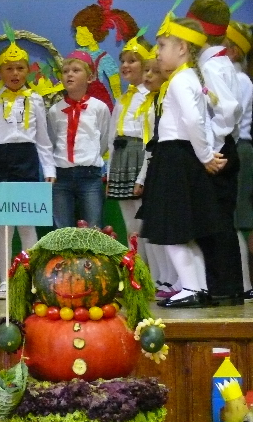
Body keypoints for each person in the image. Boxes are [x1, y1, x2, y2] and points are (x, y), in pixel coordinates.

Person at [141, 15, 226, 308]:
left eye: (162, 45)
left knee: (172, 231)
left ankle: (191, 288)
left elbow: (193, 121)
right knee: (185, 233)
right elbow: (201, 121)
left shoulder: (179, 80)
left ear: (182, 48)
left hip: (174, 159)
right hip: (184, 157)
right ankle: (198, 287)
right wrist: (205, 153)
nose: (157, 52)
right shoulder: (188, 78)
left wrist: (206, 156)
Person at [0, 28, 56, 300]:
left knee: (28, 223)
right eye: (9, 68)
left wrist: (49, 169)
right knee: (4, 226)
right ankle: (5, 280)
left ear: (28, 70)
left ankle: (31, 279)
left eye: (20, 68)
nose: (14, 73)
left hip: (27, 160)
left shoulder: (35, 100)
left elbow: (43, 141)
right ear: (0, 72)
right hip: (1, 161)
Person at [187, 0, 243, 305]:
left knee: (216, 222)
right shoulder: (221, 63)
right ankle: (225, 287)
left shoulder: (210, 67)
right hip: (223, 146)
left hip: (217, 150)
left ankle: (224, 287)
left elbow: (228, 109)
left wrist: (212, 148)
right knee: (218, 220)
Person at [134, 51, 180, 300]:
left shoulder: (166, 100)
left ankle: (175, 279)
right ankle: (161, 278)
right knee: (150, 228)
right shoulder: (150, 103)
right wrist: (142, 177)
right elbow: (148, 147)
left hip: (167, 166)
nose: (149, 75)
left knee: (167, 227)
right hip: (153, 167)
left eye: (155, 71)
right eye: (147, 70)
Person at [48, 51, 110, 228]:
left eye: (76, 70)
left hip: (90, 176)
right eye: (65, 71)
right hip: (61, 177)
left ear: (89, 78)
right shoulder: (55, 110)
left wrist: (92, 157)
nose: (69, 74)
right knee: (62, 230)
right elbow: (52, 141)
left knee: (93, 228)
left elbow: (105, 139)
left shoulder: (99, 108)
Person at [107, 32, 155, 264]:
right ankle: (134, 268)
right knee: (130, 225)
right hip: (121, 157)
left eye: (132, 61)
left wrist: (142, 177)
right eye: (123, 61)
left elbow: (150, 139)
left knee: (143, 223)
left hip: (140, 159)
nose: (125, 65)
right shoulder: (123, 98)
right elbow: (112, 137)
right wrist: (109, 173)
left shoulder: (150, 98)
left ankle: (149, 272)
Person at [224, 21, 253, 299]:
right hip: (230, 147)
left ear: (232, 50)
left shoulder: (239, 79)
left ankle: (244, 283)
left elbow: (230, 118)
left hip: (237, 148)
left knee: (233, 220)